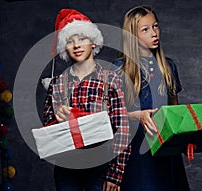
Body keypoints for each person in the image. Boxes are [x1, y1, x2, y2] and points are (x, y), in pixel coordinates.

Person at [42, 9, 131, 191]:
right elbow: (47, 130)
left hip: (100, 165)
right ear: (64, 48)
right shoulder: (58, 83)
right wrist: (55, 118)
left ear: (93, 42)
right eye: (70, 41)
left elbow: (122, 129)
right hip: (66, 165)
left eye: (82, 38)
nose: (76, 45)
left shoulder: (111, 79)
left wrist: (115, 173)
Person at [113, 5, 190, 191]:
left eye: (155, 26)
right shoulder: (119, 69)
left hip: (165, 152)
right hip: (136, 152)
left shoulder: (168, 66)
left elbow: (174, 112)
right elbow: (110, 116)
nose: (154, 33)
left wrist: (187, 137)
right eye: (145, 29)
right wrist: (137, 116)